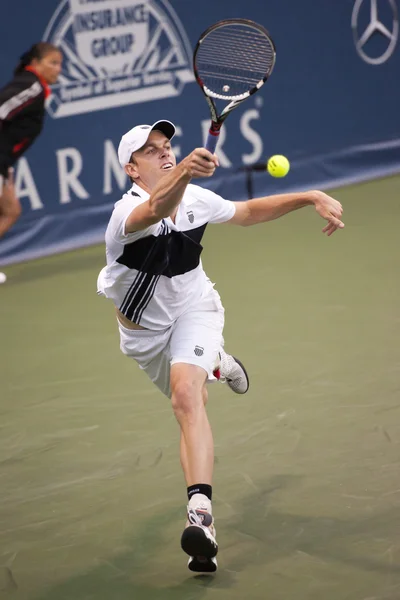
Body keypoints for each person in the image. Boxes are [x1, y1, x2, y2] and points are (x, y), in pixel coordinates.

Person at [97, 120, 344, 573]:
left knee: (186, 398)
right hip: (144, 338)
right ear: (132, 169)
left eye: (167, 145)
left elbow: (247, 212)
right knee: (195, 391)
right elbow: (155, 210)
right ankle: (218, 362)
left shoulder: (195, 198)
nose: (165, 152)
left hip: (196, 308)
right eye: (151, 151)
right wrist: (186, 173)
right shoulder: (125, 215)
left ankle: (201, 517)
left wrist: (308, 196)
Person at [0, 42, 62, 283]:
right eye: (53, 63)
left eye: (60, 64)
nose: (58, 69)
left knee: (11, 211)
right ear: (35, 64)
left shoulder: (35, 87)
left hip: (4, 161)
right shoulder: (32, 85)